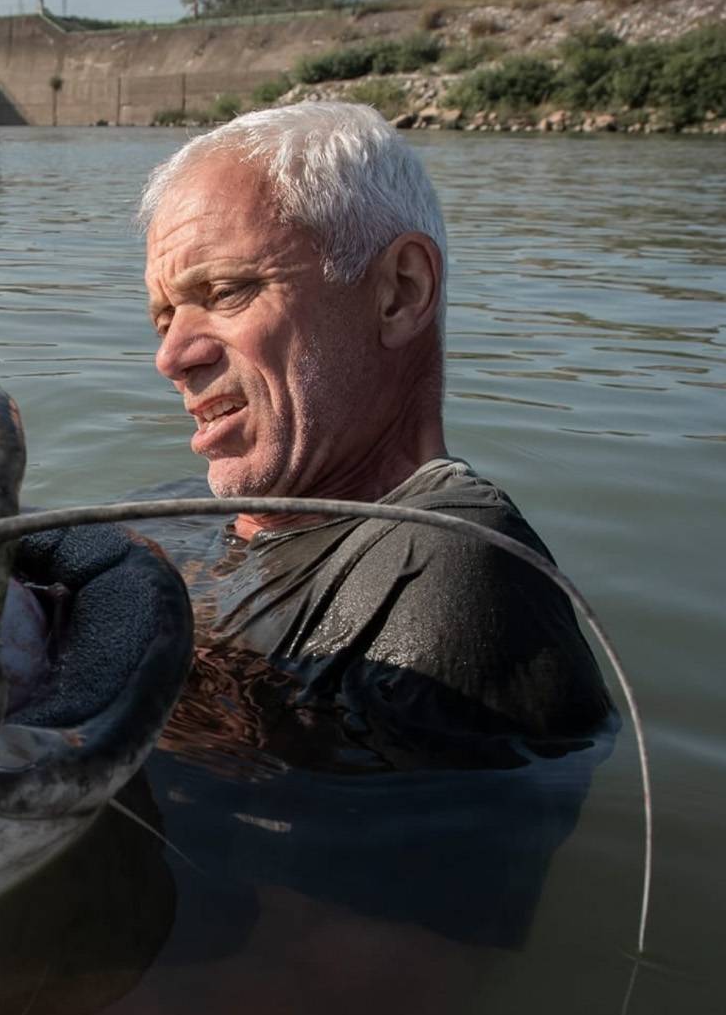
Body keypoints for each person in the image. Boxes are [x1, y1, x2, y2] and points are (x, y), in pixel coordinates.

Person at [132, 100, 613, 770]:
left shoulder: (452, 572)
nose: (173, 357)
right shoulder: (184, 511)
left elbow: (315, 861)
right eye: (164, 318)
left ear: (400, 293)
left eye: (226, 292)